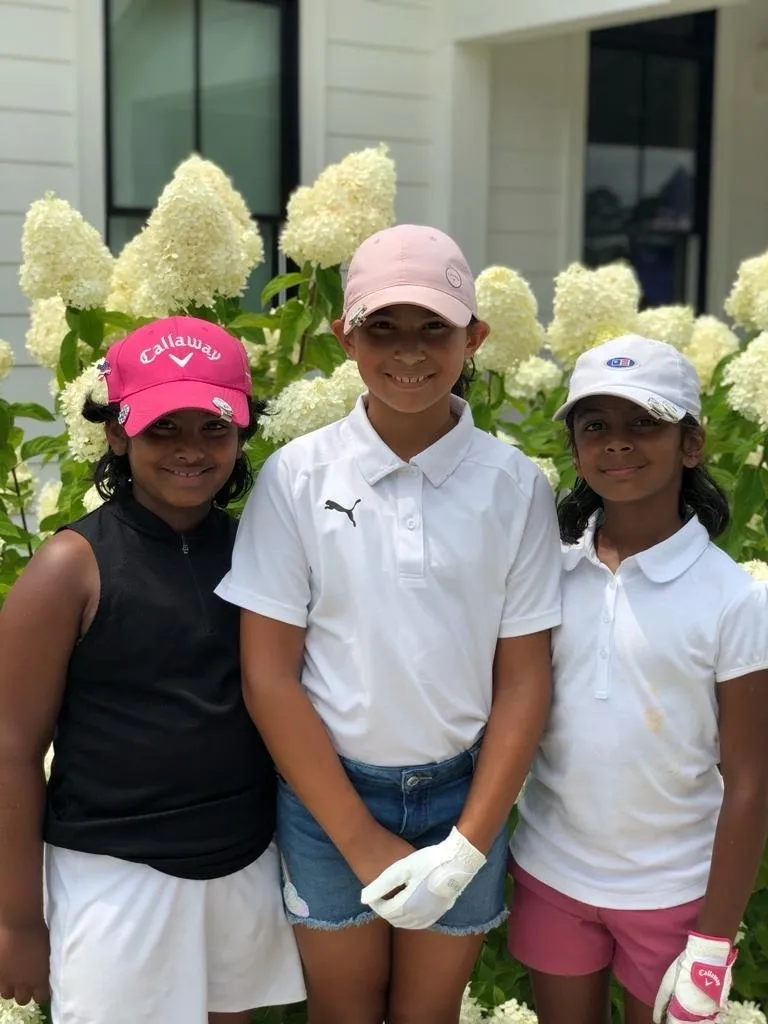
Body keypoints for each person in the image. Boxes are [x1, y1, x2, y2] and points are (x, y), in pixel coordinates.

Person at [216, 224, 563, 1024]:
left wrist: (470, 842)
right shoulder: (297, 478)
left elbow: (523, 679)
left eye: (433, 328)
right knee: (342, 1009)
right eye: (383, 328)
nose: (409, 351)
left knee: (428, 1013)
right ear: (345, 337)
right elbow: (269, 676)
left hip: (464, 796)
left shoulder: (515, 487)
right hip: (328, 793)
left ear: (473, 337)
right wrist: (361, 839)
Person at [0, 316, 305, 1024]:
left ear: (242, 433)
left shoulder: (260, 550)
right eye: (163, 429)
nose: (190, 451)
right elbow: (11, 749)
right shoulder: (69, 568)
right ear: (117, 434)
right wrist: (17, 920)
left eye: (213, 429)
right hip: (115, 876)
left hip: (242, 860)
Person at [507, 335, 768, 1024]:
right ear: (575, 446)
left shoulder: (733, 599)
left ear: (692, 443)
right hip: (552, 874)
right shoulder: (547, 573)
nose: (617, 443)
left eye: (644, 422)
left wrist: (713, 944)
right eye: (596, 425)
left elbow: (749, 778)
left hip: (676, 894)